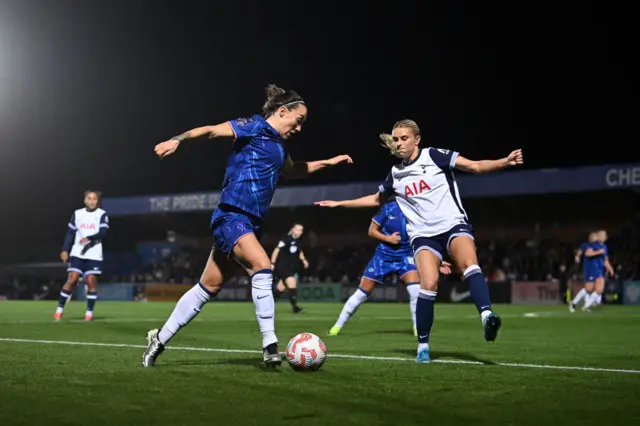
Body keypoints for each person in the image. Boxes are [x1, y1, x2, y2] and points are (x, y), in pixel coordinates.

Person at [141, 84, 353, 367]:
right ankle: (270, 346)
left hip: (249, 224)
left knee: (207, 287)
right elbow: (212, 130)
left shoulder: (278, 146)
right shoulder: (252, 126)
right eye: (298, 120)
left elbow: (291, 171)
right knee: (263, 267)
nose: (299, 128)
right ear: (281, 111)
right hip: (231, 216)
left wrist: (329, 162)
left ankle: (159, 340)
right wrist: (177, 139)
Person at [315, 119, 523, 363]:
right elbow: (375, 200)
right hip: (423, 235)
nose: (399, 143)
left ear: (417, 139)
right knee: (429, 284)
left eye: (404, 138)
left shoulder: (435, 156)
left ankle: (486, 316)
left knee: (469, 264)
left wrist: (504, 162)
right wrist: (339, 203)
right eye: (396, 139)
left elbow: (475, 167)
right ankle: (423, 346)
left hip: (453, 223)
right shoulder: (396, 174)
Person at [328, 199, 452, 336]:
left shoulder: (419, 210)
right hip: (383, 257)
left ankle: (418, 329)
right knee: (362, 293)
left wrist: (438, 260)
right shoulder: (388, 208)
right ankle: (337, 327)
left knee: (415, 290)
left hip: (406, 256)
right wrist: (388, 239)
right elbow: (371, 231)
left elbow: (426, 238)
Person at [55, 190, 109, 321]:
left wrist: (89, 238)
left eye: (94, 199)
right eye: (89, 198)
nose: (91, 201)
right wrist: (65, 249)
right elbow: (70, 233)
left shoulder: (102, 214)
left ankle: (89, 313)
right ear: (85, 200)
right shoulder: (77, 214)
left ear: (97, 201)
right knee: (72, 279)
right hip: (77, 253)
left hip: (94, 254)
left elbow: (102, 232)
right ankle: (59, 309)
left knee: (90, 281)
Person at [271, 223, 308, 313]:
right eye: (298, 229)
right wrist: (272, 263)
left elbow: (300, 251)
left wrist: (304, 260)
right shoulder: (286, 239)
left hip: (291, 267)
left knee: (281, 288)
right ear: (293, 230)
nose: (300, 232)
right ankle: (295, 308)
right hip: (284, 266)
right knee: (292, 283)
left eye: (301, 230)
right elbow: (277, 249)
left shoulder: (298, 241)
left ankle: (268, 304)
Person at [582, 230, 615, 310]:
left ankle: (587, 305)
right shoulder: (594, 245)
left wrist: (610, 268)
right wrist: (598, 252)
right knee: (589, 289)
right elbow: (587, 253)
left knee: (600, 289)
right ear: (599, 236)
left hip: (599, 270)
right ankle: (580, 303)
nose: (605, 237)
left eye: (605, 235)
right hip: (592, 269)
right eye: (603, 235)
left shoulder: (604, 247)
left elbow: (605, 260)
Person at [569, 232, 600, 312]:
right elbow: (580, 252)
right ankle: (574, 303)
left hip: (596, 269)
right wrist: (577, 256)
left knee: (591, 288)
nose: (594, 238)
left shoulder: (597, 246)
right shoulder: (586, 245)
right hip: (589, 269)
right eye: (593, 236)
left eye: (595, 236)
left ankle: (585, 305)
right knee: (588, 288)